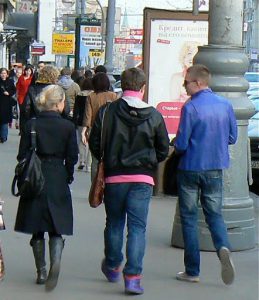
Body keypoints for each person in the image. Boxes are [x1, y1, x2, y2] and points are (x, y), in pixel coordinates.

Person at [88, 67, 169, 295]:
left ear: (122, 86)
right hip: (143, 179)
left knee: (114, 223)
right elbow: (163, 149)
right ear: (142, 88)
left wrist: (106, 159)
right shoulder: (154, 115)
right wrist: (149, 162)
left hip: (114, 177)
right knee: (137, 228)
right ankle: (133, 277)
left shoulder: (107, 112)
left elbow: (95, 142)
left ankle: (113, 265)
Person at [173, 64, 237, 285]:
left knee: (189, 219)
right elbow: (232, 137)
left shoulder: (190, 108)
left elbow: (181, 143)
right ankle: (223, 247)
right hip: (215, 168)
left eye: (186, 82)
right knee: (214, 214)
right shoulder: (225, 105)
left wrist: (175, 145)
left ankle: (192, 271)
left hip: (190, 168)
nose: (185, 86)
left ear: (198, 82)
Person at [14, 85, 78, 291]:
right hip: (57, 174)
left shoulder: (32, 124)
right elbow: (72, 156)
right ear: (59, 104)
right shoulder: (68, 127)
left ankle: (41, 271)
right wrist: (68, 175)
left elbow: (22, 153)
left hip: (35, 176)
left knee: (37, 226)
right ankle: (56, 259)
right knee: (56, 225)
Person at [81, 72, 117, 181]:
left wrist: (84, 131)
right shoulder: (113, 96)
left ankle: (95, 189)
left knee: (95, 160)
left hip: (95, 131)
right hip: (110, 131)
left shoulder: (91, 96)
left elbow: (88, 115)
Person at [73, 77, 93, 171]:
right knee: (90, 142)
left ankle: (82, 161)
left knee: (81, 141)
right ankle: (88, 165)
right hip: (91, 120)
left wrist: (74, 121)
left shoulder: (80, 94)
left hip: (81, 120)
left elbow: (76, 109)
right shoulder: (93, 95)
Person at [16, 65, 34, 135]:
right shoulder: (21, 78)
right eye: (26, 70)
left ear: (31, 71)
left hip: (29, 98)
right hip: (21, 97)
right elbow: (18, 87)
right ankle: (22, 130)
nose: (28, 72)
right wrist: (17, 96)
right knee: (22, 114)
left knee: (28, 114)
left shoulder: (32, 79)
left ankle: (27, 129)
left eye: (29, 71)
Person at [0, 68, 16, 143]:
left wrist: (9, 93)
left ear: (7, 74)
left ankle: (3, 136)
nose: (3, 75)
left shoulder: (10, 81)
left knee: (5, 121)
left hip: (7, 103)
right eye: (2, 73)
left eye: (4, 73)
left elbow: (14, 90)